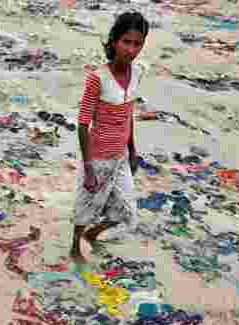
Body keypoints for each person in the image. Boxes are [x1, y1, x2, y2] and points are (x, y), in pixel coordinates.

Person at [70, 11, 149, 264]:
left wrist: (133, 151)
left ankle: (94, 233)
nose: (131, 49)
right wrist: (89, 168)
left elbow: (128, 115)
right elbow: (83, 125)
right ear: (114, 41)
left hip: (121, 157)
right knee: (87, 206)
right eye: (127, 42)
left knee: (126, 211)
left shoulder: (137, 73)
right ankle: (75, 248)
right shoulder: (98, 78)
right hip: (98, 156)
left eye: (138, 43)